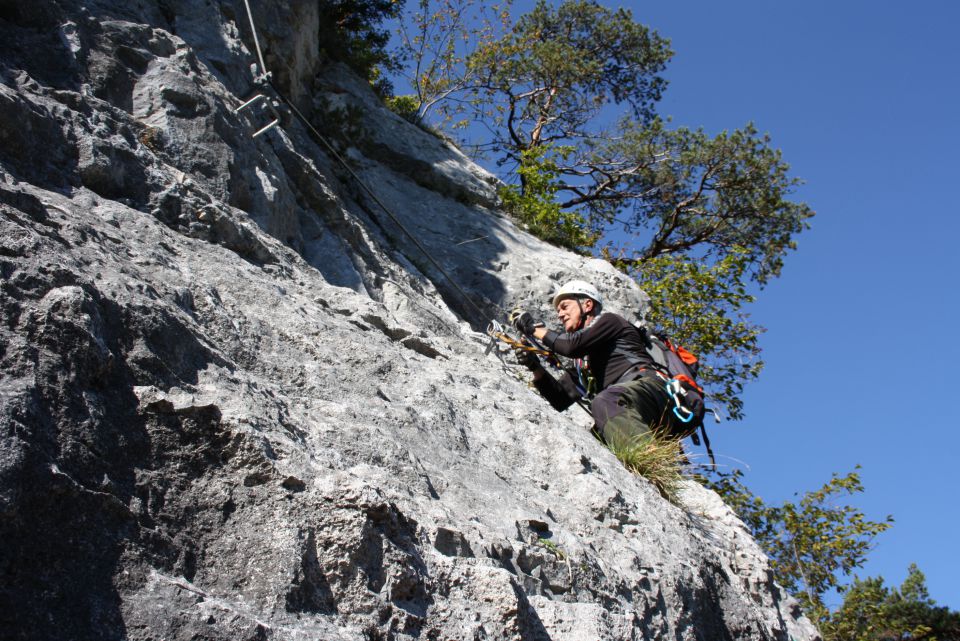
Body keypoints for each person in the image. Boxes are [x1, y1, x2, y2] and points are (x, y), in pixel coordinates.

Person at [510, 280, 682, 445]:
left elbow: (570, 345)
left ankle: (647, 462)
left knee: (605, 402)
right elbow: (560, 398)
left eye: (565, 306)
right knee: (597, 440)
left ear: (587, 305)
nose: (560, 314)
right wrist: (535, 366)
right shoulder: (583, 363)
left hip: (650, 389)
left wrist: (533, 328)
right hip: (631, 403)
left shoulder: (611, 321)